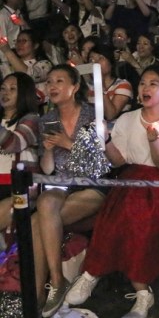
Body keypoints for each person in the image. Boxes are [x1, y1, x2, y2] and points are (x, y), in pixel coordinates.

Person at [64, 65, 159, 318]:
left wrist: (154, 140)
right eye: (143, 83)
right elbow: (118, 161)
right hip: (131, 180)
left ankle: (127, 284)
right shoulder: (127, 118)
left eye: (153, 83)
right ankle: (100, 275)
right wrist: (105, 140)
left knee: (136, 214)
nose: (145, 88)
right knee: (116, 213)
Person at [31, 65, 100, 317]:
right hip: (61, 186)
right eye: (49, 81)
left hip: (92, 185)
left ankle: (46, 289)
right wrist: (49, 149)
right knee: (45, 204)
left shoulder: (92, 114)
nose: (52, 86)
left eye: (59, 81)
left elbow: (99, 164)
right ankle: (46, 288)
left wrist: (67, 143)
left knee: (37, 221)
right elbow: (48, 169)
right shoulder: (46, 120)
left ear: (75, 86)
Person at [0, 73, 40, 234]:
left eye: (12, 89)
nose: (5, 93)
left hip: (18, 187)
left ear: (24, 93)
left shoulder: (32, 119)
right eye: (2, 88)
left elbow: (14, 144)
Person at [0, 29, 53, 101]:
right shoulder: (7, 65)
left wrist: (7, 51)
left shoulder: (45, 64)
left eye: (24, 41)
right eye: (18, 41)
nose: (19, 44)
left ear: (35, 45)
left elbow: (28, 76)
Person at [87, 44, 133, 122]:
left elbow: (110, 115)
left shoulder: (123, 85)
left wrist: (100, 85)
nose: (96, 63)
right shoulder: (89, 88)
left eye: (101, 58)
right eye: (91, 60)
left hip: (116, 128)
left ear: (111, 62)